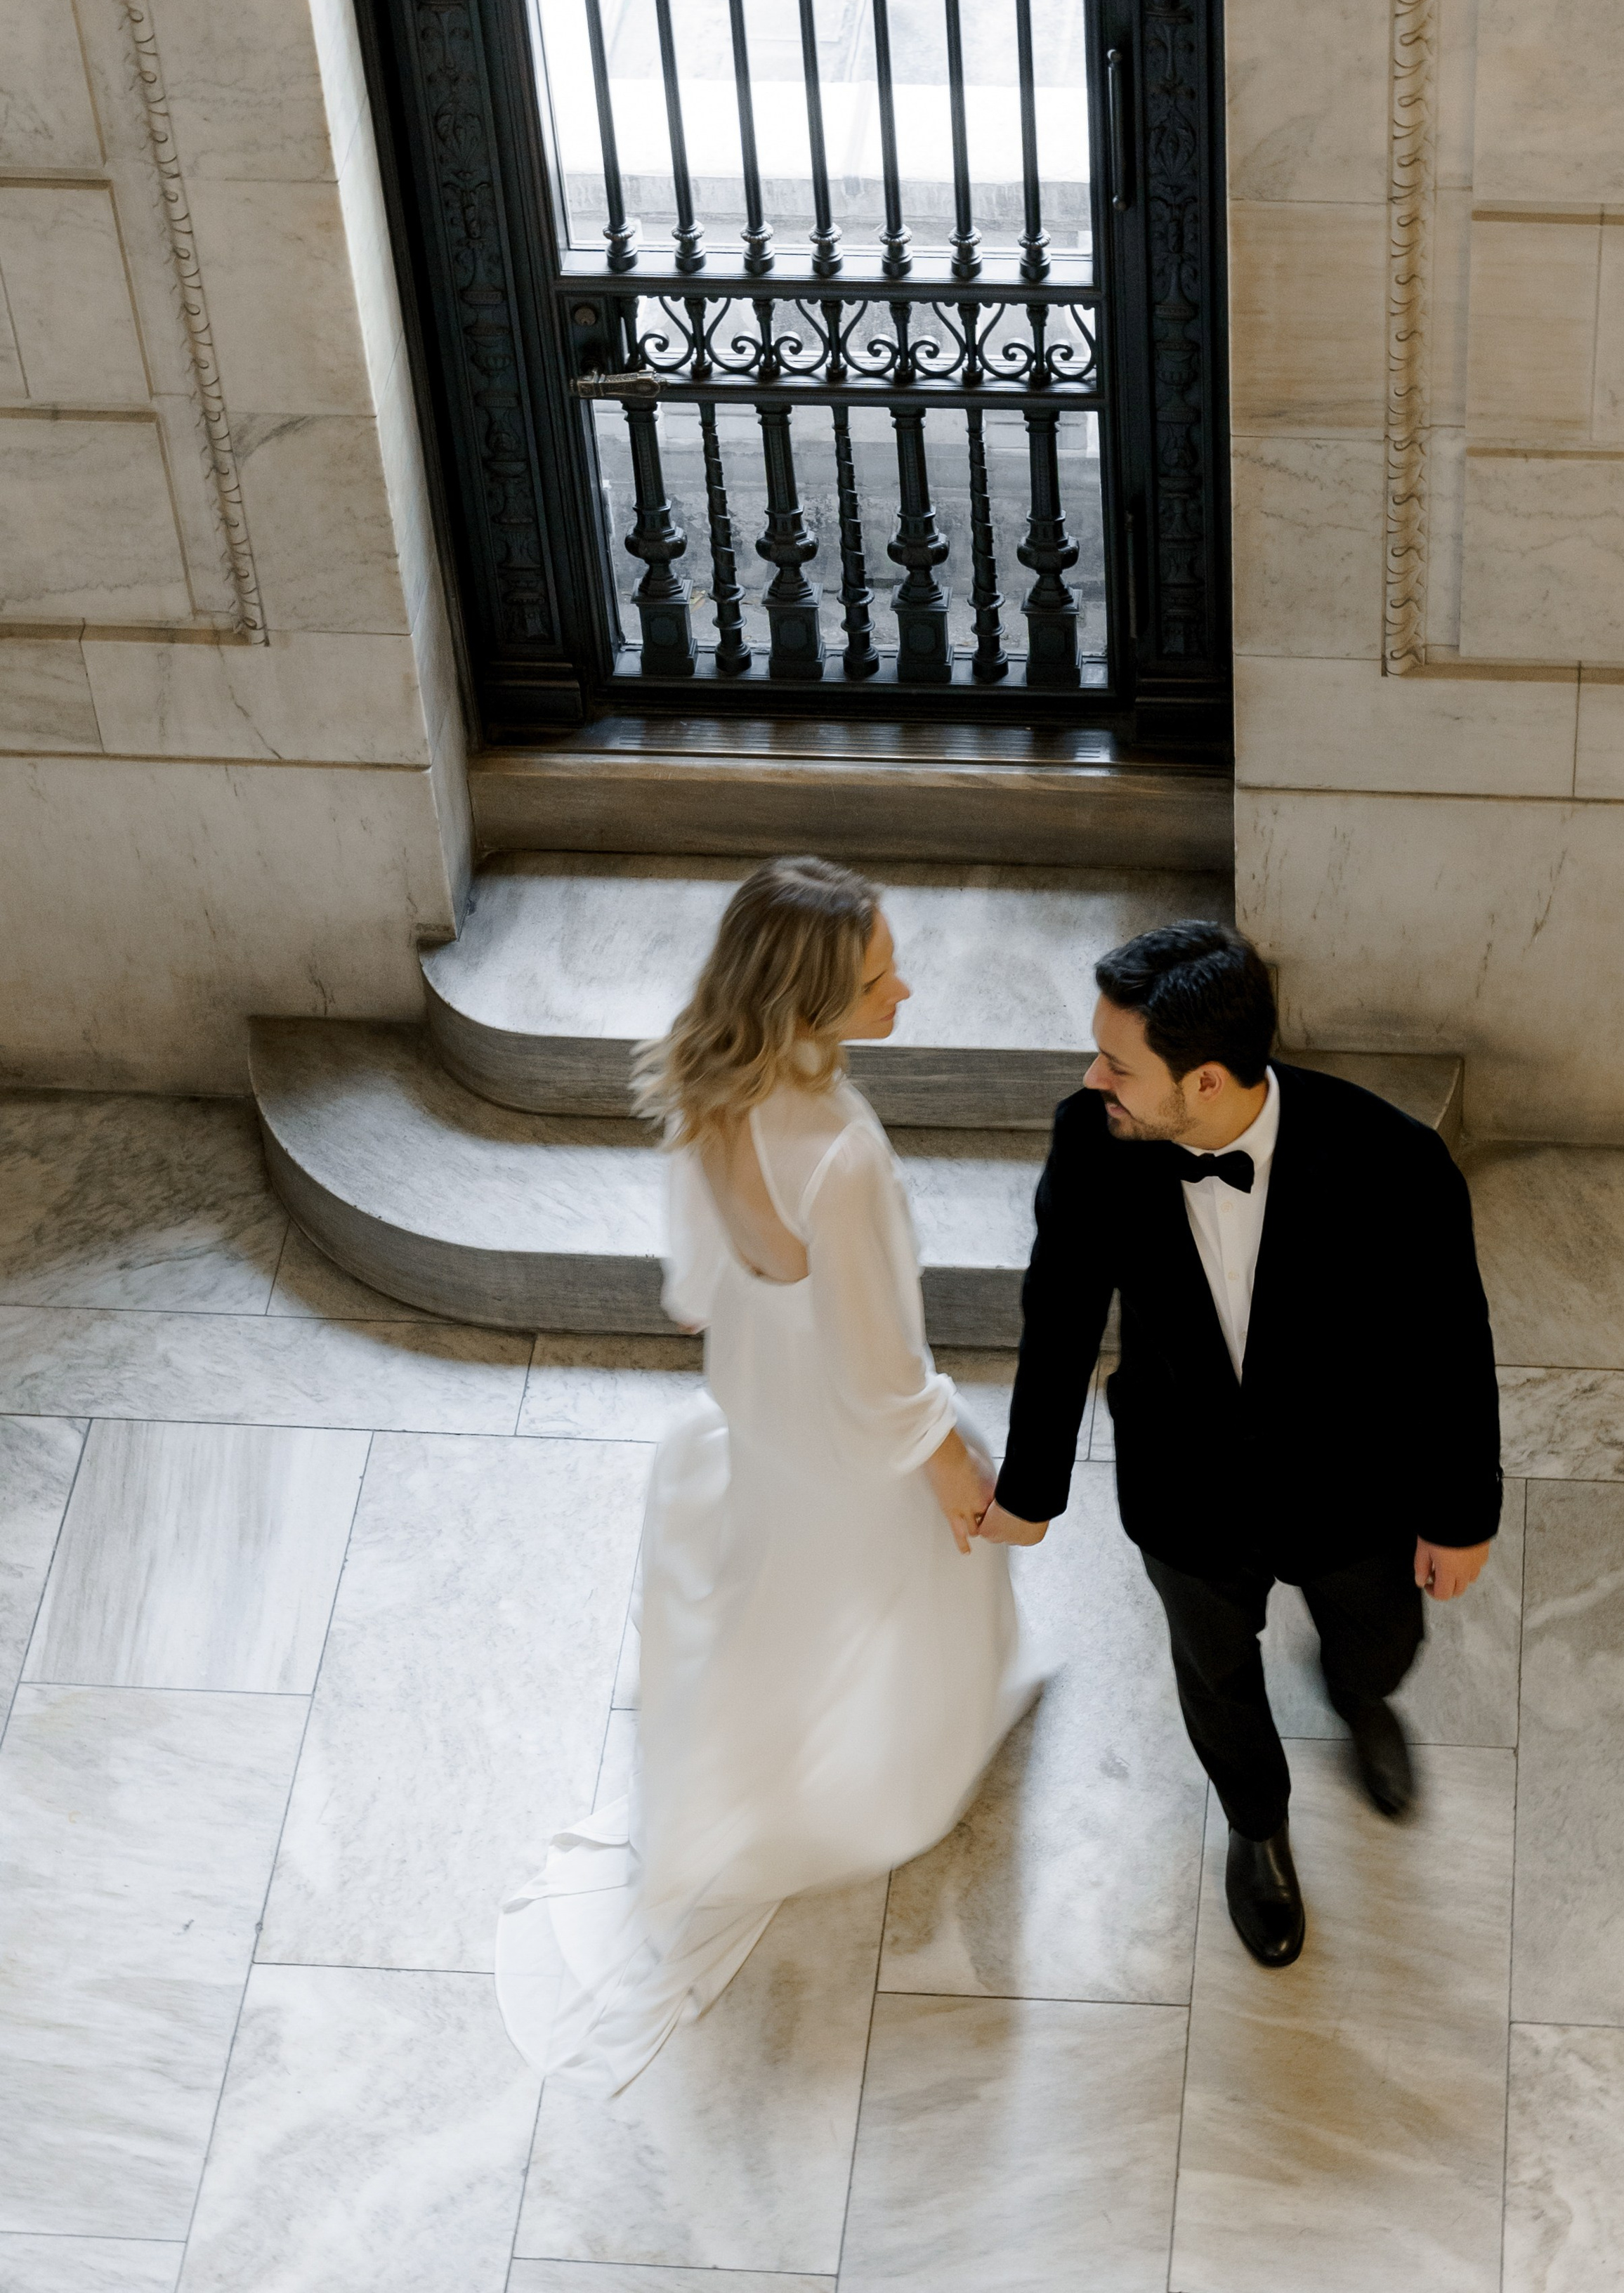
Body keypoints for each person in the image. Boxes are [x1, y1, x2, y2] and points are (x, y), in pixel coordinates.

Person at [497, 855, 1035, 2090]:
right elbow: (880, 1363)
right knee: (900, 1573)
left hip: (758, 1386)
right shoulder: (839, 1157)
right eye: (878, 977)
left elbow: (696, 1278)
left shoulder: (709, 1071)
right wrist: (952, 1465)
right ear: (807, 1006)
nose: (906, 988)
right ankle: (872, 1776)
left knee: (784, 1563)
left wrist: (722, 1297)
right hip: (841, 1418)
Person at [978, 920, 1500, 1968]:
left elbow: (1452, 1344)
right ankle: (1258, 1826)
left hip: (1352, 1485)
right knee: (1215, 1676)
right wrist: (1029, 1490)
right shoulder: (1095, 1139)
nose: (1094, 1078)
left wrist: (1459, 1514)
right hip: (1185, 1485)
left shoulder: (1394, 1163)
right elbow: (1062, 1311)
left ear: (1207, 1081)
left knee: (1385, 1641)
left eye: (1118, 1063)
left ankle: (1360, 1697)